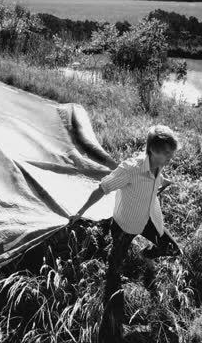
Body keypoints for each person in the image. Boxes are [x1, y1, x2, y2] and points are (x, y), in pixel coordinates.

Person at [69, 125, 182, 342]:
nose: (170, 157)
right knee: (115, 268)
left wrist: (162, 183)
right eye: (167, 153)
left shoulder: (158, 166)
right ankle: (111, 309)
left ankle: (145, 256)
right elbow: (103, 188)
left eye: (171, 153)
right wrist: (80, 212)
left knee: (171, 249)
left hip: (148, 219)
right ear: (153, 150)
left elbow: (151, 185)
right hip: (125, 224)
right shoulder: (131, 169)